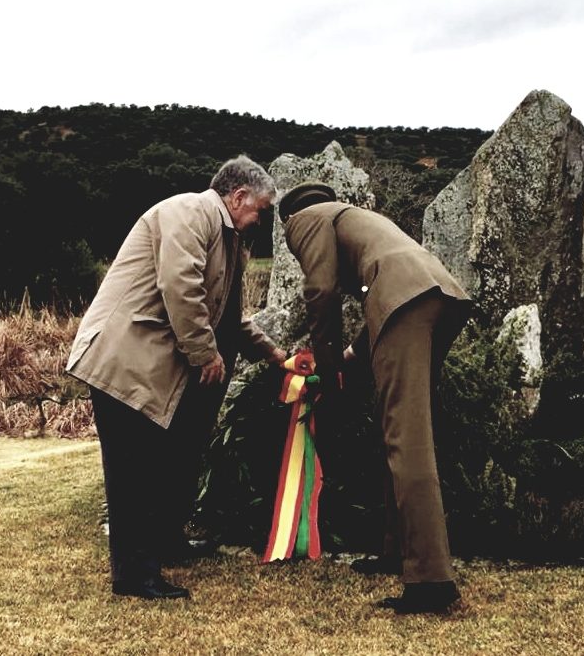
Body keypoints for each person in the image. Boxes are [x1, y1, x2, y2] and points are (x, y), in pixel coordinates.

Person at [67, 155, 285, 600]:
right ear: (238, 196)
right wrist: (205, 355)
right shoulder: (188, 211)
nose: (263, 220)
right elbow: (180, 286)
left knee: (169, 462)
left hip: (150, 365)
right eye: (262, 209)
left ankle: (167, 543)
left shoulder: (226, 239)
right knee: (134, 472)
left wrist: (278, 356)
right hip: (124, 360)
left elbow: (229, 319)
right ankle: (134, 576)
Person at [279, 182, 471, 614]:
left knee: (406, 436)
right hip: (439, 295)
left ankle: (430, 580)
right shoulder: (354, 217)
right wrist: (351, 356)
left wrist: (327, 374)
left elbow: (321, 292)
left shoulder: (304, 220)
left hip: (407, 302)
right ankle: (397, 551)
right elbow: (387, 285)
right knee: (401, 428)